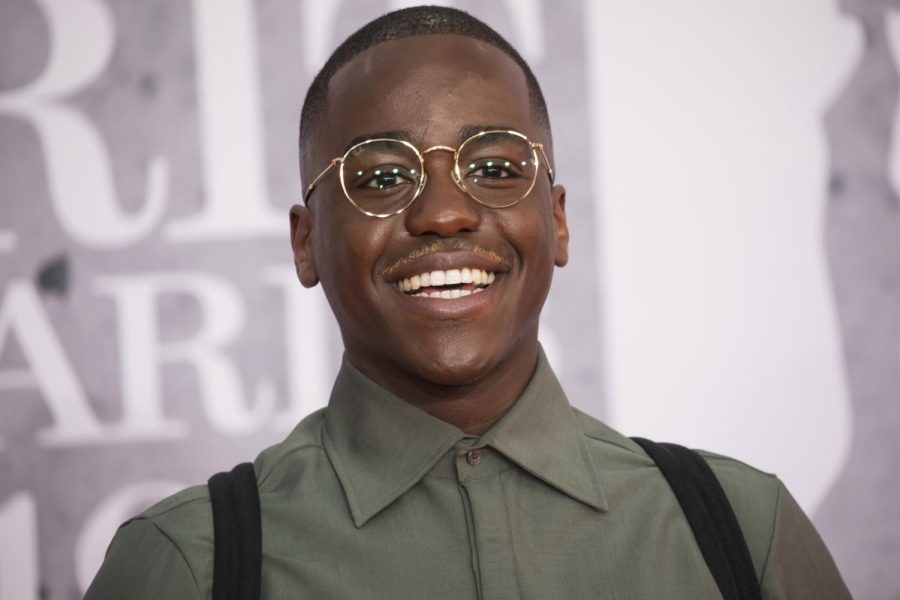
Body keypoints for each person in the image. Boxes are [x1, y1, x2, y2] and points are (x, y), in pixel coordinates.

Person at [85, 6, 850, 599]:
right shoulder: (194, 565)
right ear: (305, 242)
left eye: (494, 165)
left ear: (555, 219)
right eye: (382, 178)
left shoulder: (742, 534)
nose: (445, 213)